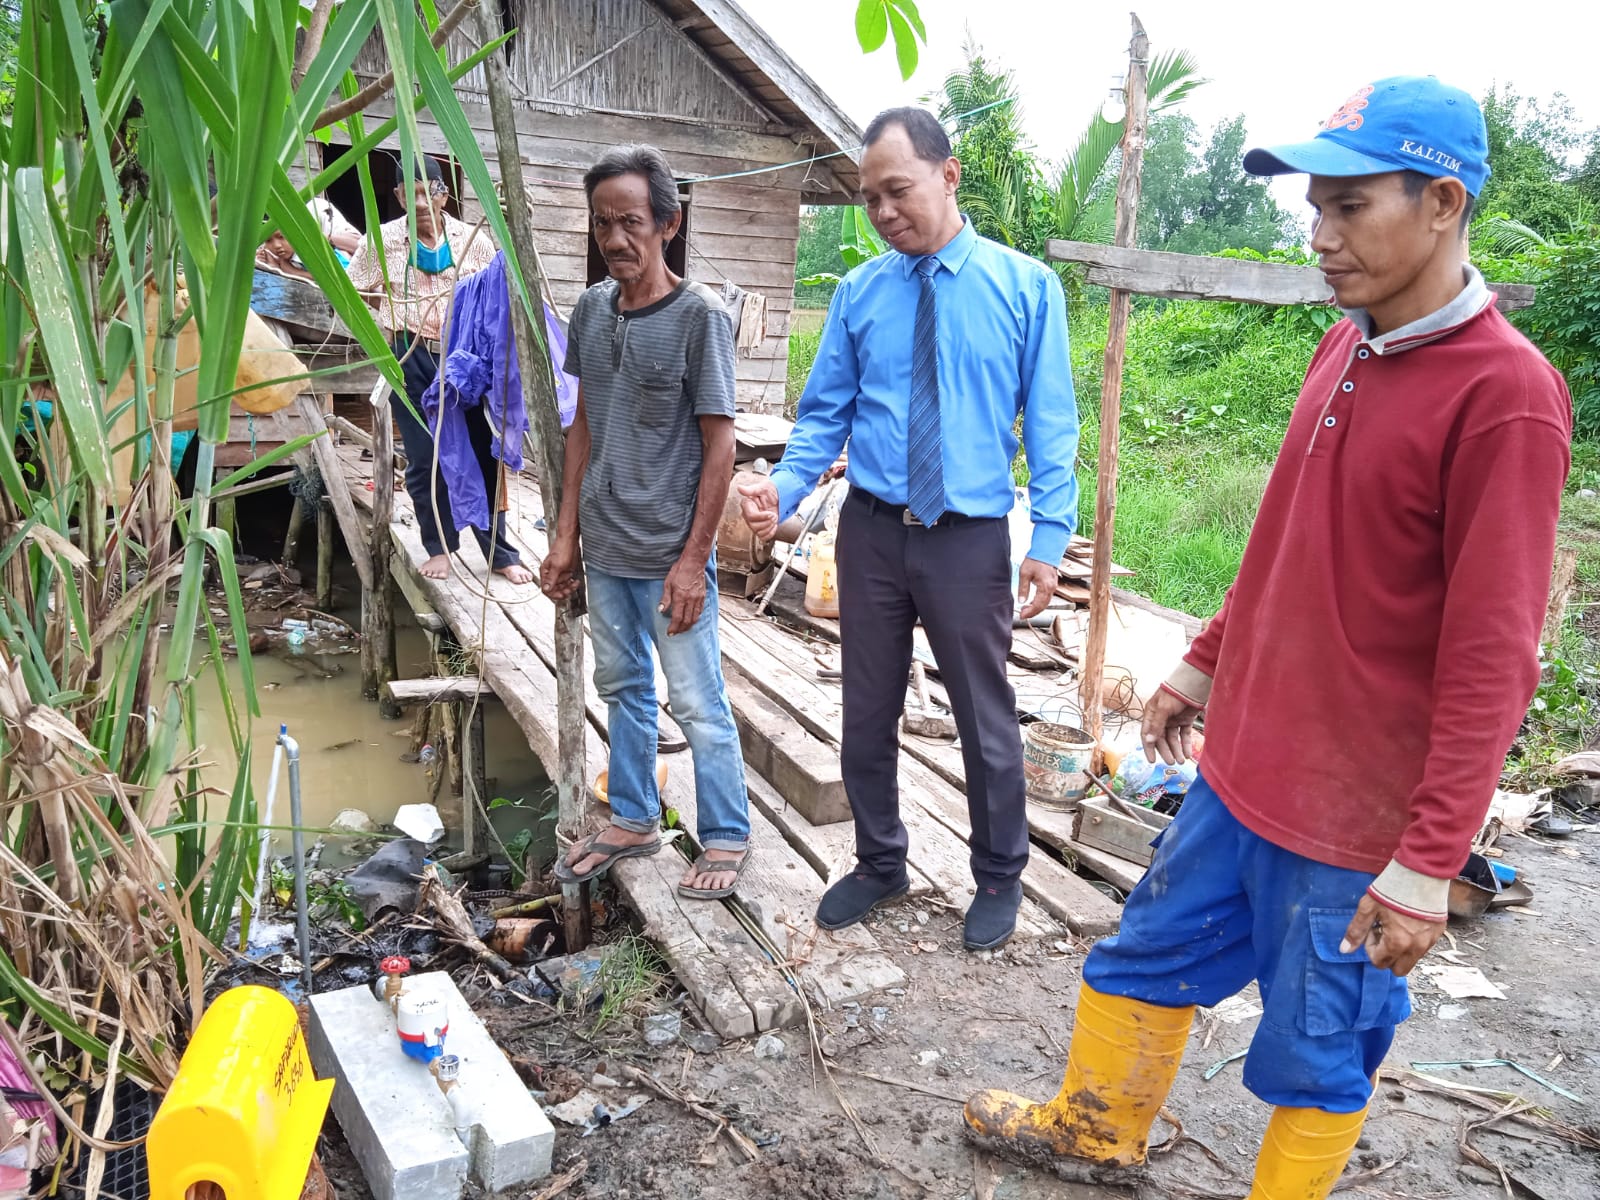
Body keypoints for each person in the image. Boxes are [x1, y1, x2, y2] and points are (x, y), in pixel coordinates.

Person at [962, 76, 1573, 1199]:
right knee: (1140, 960)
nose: (1320, 234)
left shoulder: (1504, 399)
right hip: (1242, 774)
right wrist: (1207, 658)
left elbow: (1494, 659)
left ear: (1441, 202)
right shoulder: (1343, 349)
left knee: (1317, 1046)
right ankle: (1095, 1133)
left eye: (1349, 206)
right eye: (1315, 207)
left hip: (1351, 820)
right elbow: (1282, 537)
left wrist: (1428, 862)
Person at [737, 107, 1078, 952]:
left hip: (967, 538)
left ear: (948, 175)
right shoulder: (860, 294)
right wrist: (776, 491)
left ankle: (999, 874)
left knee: (984, 717)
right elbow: (820, 423)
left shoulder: (1025, 287)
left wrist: (1048, 539)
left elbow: (1052, 425)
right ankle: (880, 859)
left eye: (898, 191)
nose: (885, 213)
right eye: (870, 200)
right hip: (874, 532)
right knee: (867, 708)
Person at [540, 144, 752, 899]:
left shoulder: (701, 319)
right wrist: (565, 533)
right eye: (603, 224)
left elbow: (720, 446)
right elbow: (583, 427)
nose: (616, 239)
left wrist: (694, 560)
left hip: (670, 557)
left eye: (631, 221)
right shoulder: (591, 310)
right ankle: (633, 817)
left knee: (696, 699)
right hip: (606, 545)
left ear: (669, 223)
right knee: (624, 685)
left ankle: (726, 833)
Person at [345, 155, 532, 584]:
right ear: (397, 197)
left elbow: (496, 293)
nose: (421, 202)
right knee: (426, 456)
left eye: (428, 191)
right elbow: (351, 292)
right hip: (410, 358)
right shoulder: (382, 241)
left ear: (444, 194)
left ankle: (499, 551)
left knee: (486, 449)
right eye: (409, 193)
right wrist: (382, 331)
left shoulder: (474, 242)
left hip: (465, 360)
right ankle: (440, 546)